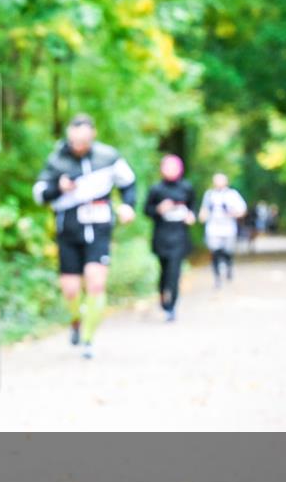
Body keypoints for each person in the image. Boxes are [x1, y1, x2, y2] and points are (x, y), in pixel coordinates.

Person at [33, 114, 136, 359]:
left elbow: (129, 183)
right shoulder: (57, 160)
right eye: (75, 141)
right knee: (70, 290)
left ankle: (89, 339)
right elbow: (39, 194)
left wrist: (128, 206)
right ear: (69, 136)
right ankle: (77, 320)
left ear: (93, 136)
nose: (79, 146)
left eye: (84, 142)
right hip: (68, 229)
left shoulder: (108, 157)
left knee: (96, 282)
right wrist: (59, 187)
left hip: (99, 228)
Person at [144, 154, 196, 322]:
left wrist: (190, 216)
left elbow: (192, 208)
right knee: (164, 271)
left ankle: (172, 305)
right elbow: (147, 210)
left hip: (180, 236)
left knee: (175, 271)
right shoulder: (156, 189)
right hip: (161, 236)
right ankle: (162, 295)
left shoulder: (186, 188)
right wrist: (159, 209)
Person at [198, 173, 246, 287]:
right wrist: (202, 217)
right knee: (215, 251)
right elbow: (203, 211)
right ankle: (217, 277)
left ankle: (228, 266)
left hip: (228, 228)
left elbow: (242, 211)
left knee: (227, 251)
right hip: (213, 228)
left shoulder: (233, 195)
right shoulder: (209, 195)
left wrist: (232, 212)